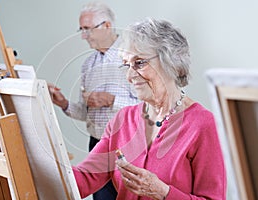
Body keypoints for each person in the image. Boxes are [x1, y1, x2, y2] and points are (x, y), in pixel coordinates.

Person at [72, 18, 227, 199]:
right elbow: (85, 178)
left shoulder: (202, 124)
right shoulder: (123, 119)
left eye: (139, 63)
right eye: (126, 65)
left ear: (172, 62)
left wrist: (163, 193)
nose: (130, 76)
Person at [48, 1, 138, 199]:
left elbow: (148, 108)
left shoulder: (132, 58)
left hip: (128, 144)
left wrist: (111, 100)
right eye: (81, 29)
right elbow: (85, 112)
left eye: (87, 29)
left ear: (106, 26)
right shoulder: (88, 65)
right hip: (97, 144)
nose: (83, 36)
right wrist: (63, 103)